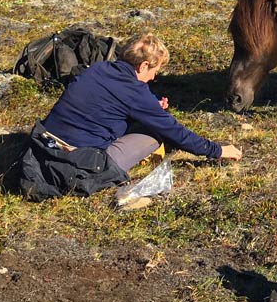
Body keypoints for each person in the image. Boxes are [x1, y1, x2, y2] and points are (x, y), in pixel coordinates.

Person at [21, 32, 240, 196]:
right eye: (155, 70)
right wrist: (218, 150)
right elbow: (176, 132)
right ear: (144, 65)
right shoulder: (135, 91)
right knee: (156, 134)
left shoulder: (98, 69)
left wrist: (150, 107)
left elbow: (107, 105)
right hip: (77, 163)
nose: (154, 77)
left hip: (43, 146)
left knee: (141, 123)